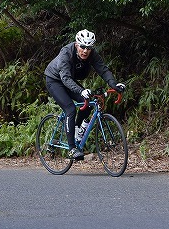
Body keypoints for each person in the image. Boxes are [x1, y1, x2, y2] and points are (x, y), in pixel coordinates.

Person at [44, 29, 125, 160]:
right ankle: (71, 149)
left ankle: (76, 130)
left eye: (89, 48)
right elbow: (65, 78)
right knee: (70, 109)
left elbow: (103, 70)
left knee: (87, 104)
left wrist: (113, 84)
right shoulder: (66, 52)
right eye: (82, 47)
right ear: (77, 44)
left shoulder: (91, 54)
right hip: (55, 80)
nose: (85, 51)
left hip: (69, 80)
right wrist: (81, 90)